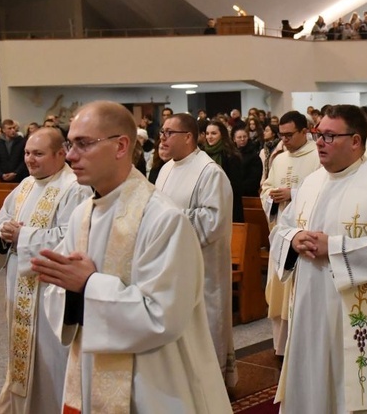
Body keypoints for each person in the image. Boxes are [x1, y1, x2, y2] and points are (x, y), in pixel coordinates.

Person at [29, 101, 231, 413]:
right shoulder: (83, 214)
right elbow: (62, 295)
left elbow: (164, 316)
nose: (70, 156)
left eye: (83, 144)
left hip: (152, 382)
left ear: (121, 146)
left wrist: (88, 285)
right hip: (89, 370)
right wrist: (68, 287)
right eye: (70, 144)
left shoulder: (164, 219)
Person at [270, 104, 367, 413]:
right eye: (318, 134)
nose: (319, 142)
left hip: (363, 314)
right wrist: (293, 238)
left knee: (356, 385)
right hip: (311, 307)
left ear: (355, 141)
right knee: (316, 381)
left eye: (328, 136)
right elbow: (281, 230)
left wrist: (333, 247)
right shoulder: (310, 183)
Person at [0, 128, 92, 413]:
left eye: (38, 154)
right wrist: (3, 233)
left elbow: (72, 236)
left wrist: (23, 237)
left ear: (61, 154)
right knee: (22, 356)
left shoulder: (74, 187)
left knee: (49, 358)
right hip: (18, 283)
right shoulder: (25, 185)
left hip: (49, 289)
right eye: (27, 152)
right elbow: (3, 219)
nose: (29, 160)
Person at [155, 113, 238, 388]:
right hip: (170, 265)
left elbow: (213, 222)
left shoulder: (209, 172)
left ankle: (209, 387)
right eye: (162, 132)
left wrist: (168, 219)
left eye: (169, 132)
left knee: (204, 326)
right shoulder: (167, 168)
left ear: (188, 137)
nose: (162, 138)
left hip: (203, 271)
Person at [260, 110, 320, 355]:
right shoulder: (279, 159)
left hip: (303, 237)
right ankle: (280, 347)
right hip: (281, 234)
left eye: (289, 135)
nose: (283, 140)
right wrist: (271, 197)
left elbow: (320, 191)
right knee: (278, 293)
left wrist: (292, 194)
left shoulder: (318, 156)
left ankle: (303, 346)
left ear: (304, 132)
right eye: (280, 135)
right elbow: (265, 187)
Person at [203, 120, 244, 222]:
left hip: (227, 204)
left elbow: (236, 185)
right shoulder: (202, 154)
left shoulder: (231, 155)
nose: (209, 137)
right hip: (206, 204)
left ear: (222, 134)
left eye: (214, 133)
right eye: (207, 133)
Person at [233, 128, 263, 197]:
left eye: (244, 137)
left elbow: (255, 177)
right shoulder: (231, 154)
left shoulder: (253, 155)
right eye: (239, 137)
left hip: (248, 193)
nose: (242, 139)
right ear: (234, 139)